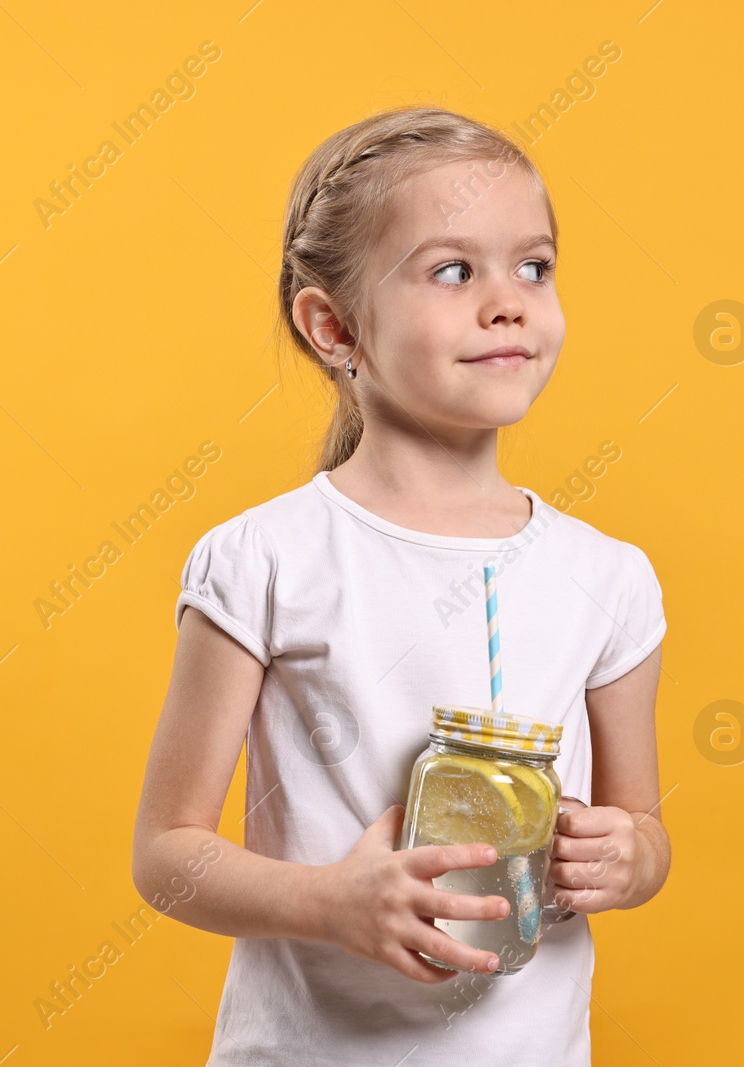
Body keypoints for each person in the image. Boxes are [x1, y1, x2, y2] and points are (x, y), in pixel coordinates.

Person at [131, 105, 669, 1066]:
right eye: (453, 270)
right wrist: (328, 902)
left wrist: (624, 860)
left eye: (533, 267)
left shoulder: (609, 578)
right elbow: (166, 855)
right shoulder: (263, 560)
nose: (507, 301)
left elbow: (645, 830)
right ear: (333, 325)